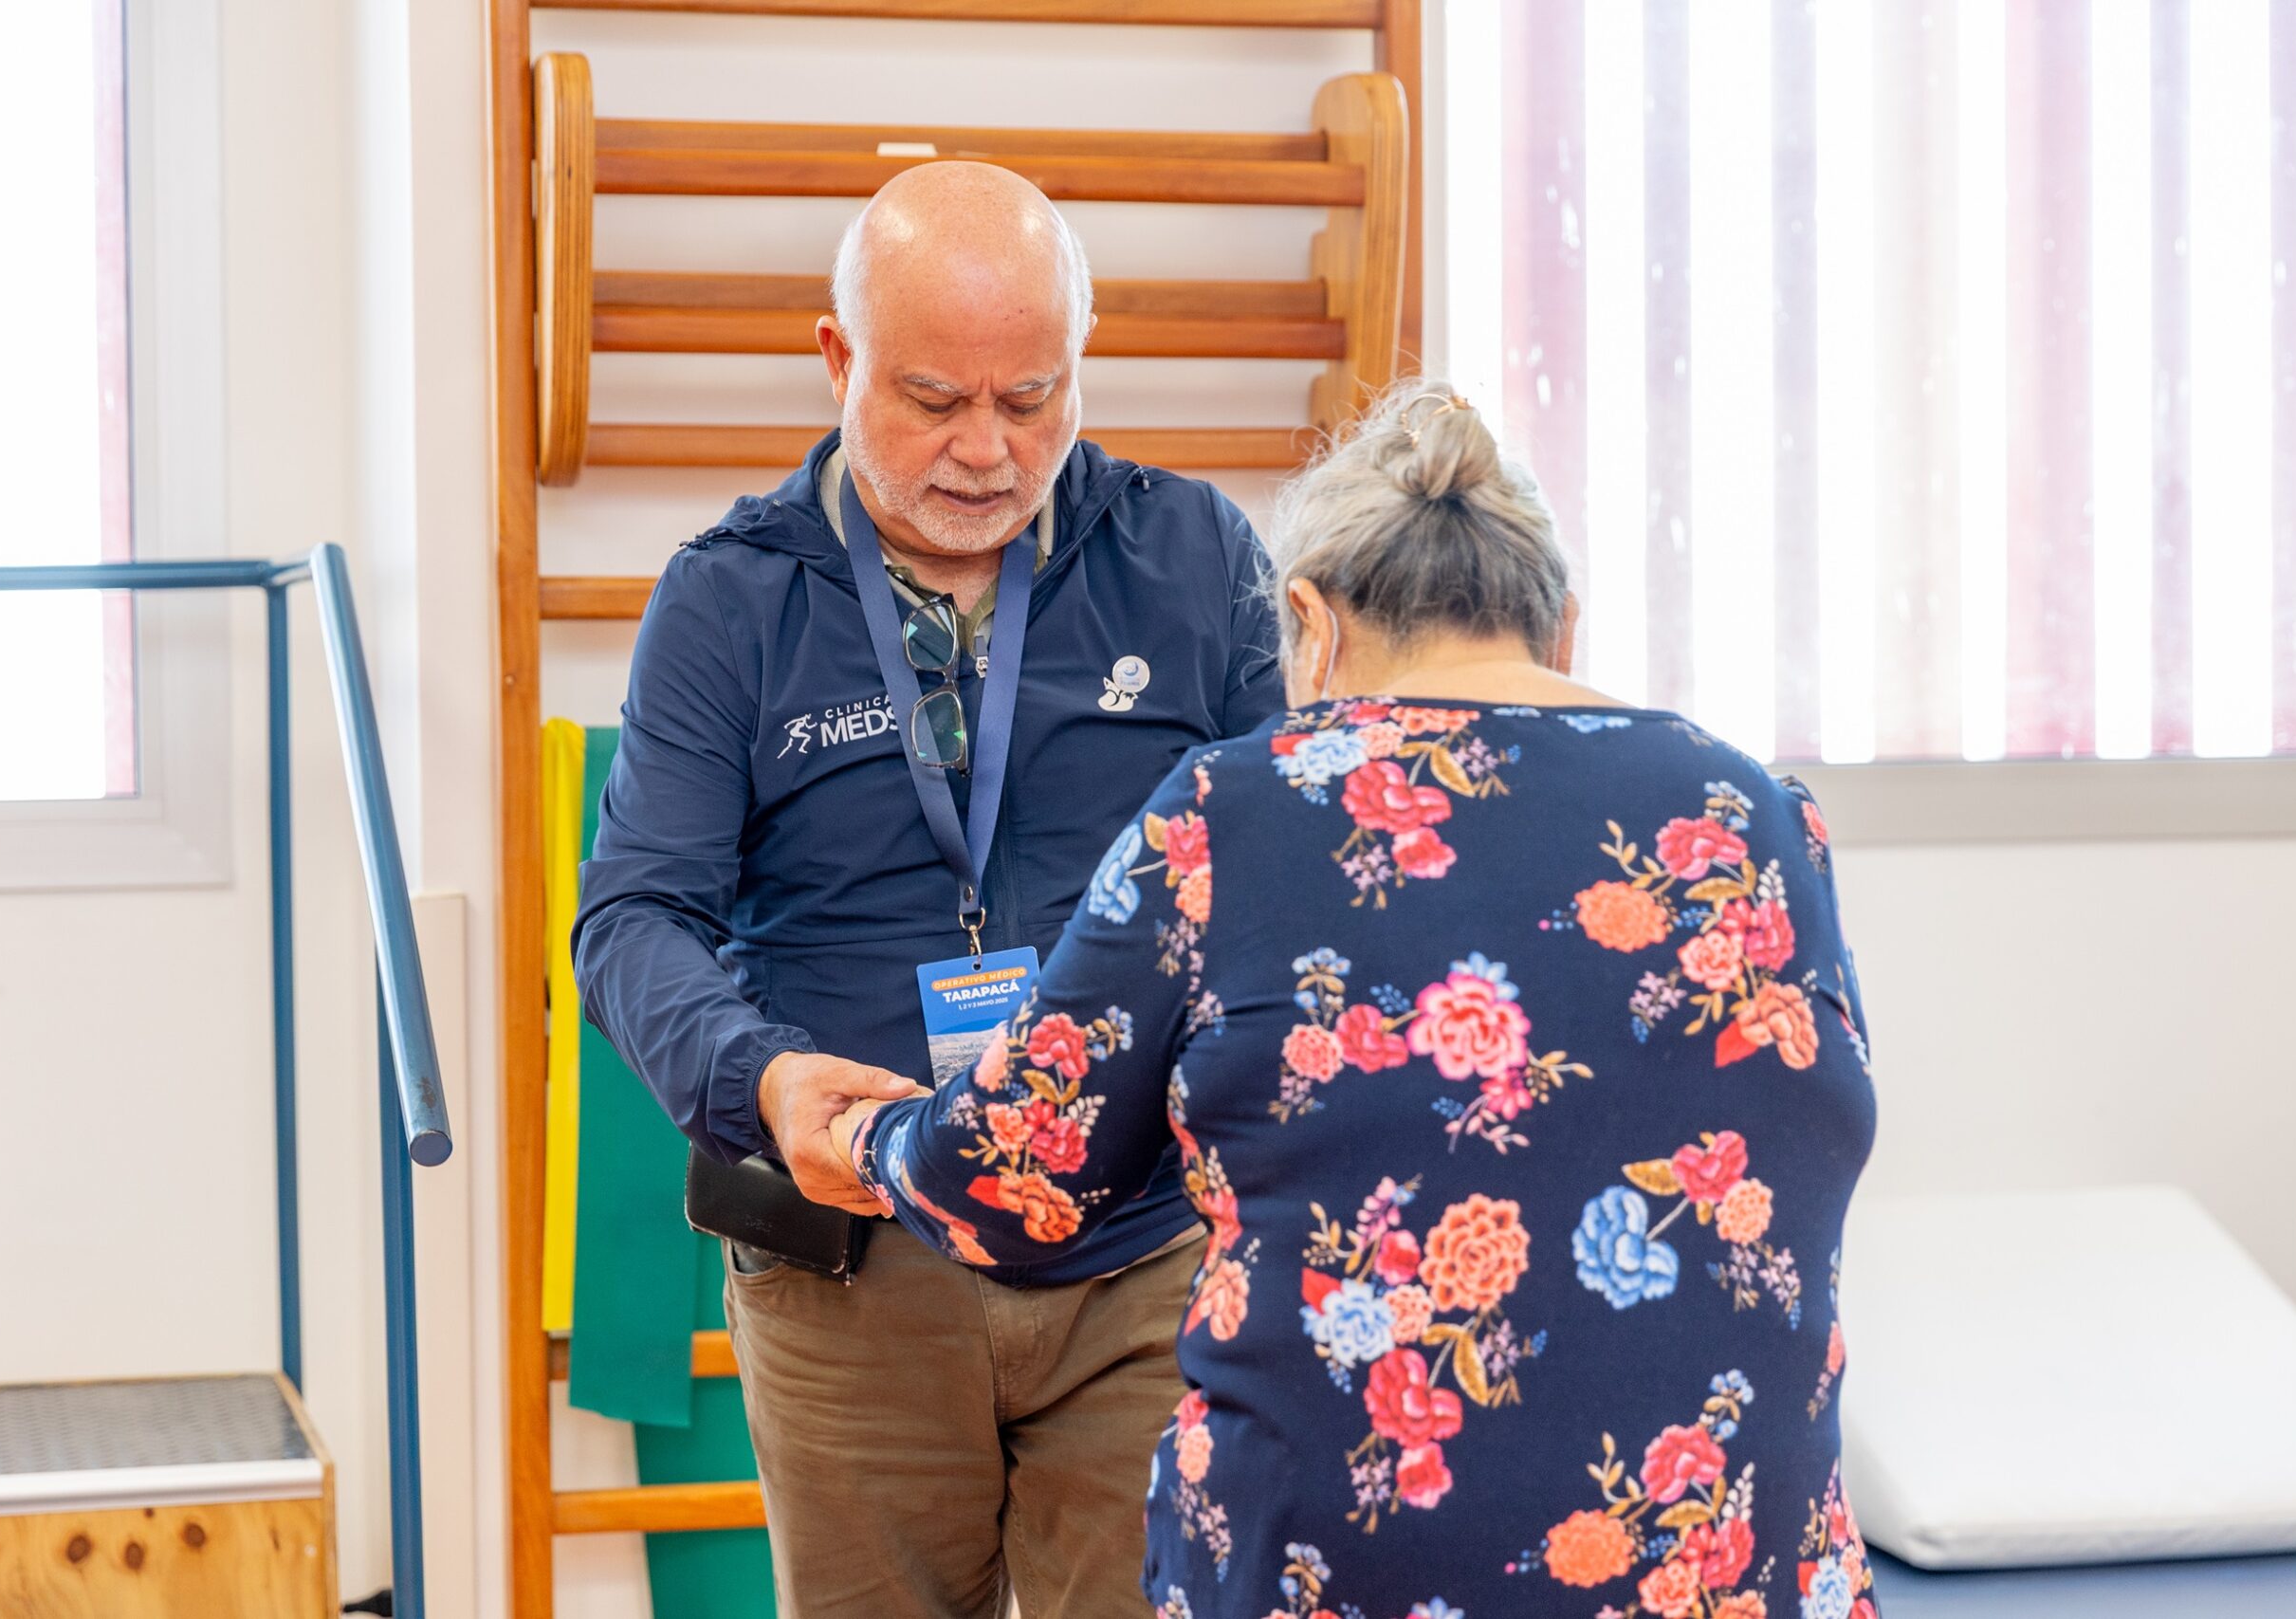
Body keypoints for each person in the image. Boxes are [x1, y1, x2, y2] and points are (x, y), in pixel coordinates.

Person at [835, 382, 1882, 1619]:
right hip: (1735, 1574)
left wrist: (865, 1136)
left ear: (1311, 624)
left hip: (1339, 1575)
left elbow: (1012, 1179)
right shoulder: (1760, 816)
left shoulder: (1240, 809)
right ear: (1562, 628)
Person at [573, 162, 1282, 1617]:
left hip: (1137, 1258)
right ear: (838, 360)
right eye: (934, 399)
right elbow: (631, 921)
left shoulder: (1195, 557)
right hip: (851, 1274)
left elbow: (1288, 879)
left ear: (1081, 360)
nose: (986, 451)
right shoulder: (729, 598)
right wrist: (761, 1083)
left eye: (1031, 398)